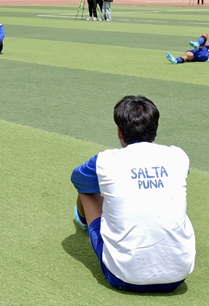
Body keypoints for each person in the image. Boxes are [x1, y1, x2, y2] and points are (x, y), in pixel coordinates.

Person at [70, 95, 195, 292]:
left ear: (120, 131)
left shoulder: (105, 160)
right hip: (178, 276)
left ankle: (84, 223)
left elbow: (77, 179)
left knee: (88, 191)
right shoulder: (178, 156)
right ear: (155, 129)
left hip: (122, 276)